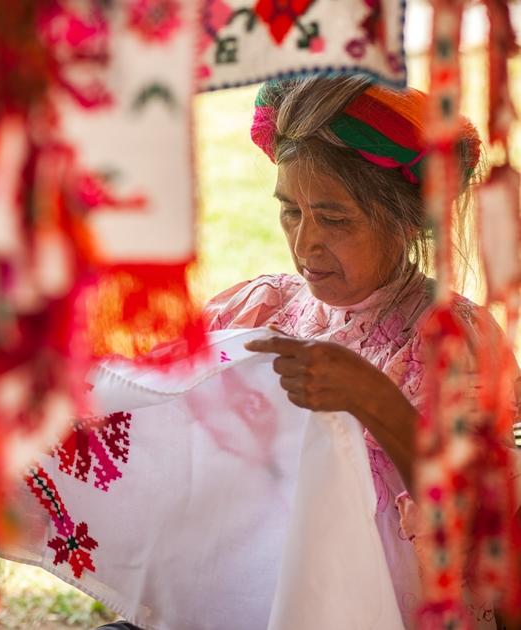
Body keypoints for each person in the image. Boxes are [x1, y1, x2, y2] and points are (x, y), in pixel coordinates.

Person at [99, 75, 521, 629]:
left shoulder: (454, 343)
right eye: (291, 212)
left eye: (335, 218)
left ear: (408, 221)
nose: (304, 245)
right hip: (241, 601)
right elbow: (150, 409)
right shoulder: (264, 308)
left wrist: (370, 398)